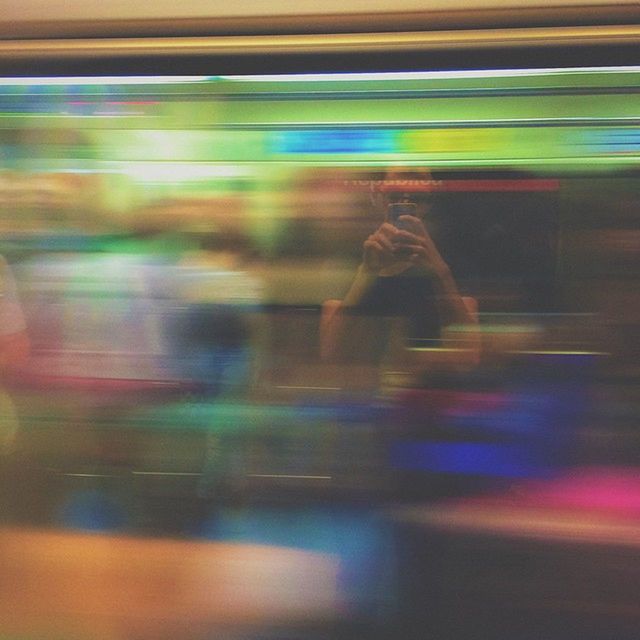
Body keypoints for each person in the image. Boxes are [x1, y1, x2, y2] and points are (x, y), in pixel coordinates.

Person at [323, 168, 479, 379]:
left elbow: (469, 356)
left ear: (429, 201)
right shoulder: (355, 257)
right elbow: (332, 354)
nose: (405, 205)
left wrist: (439, 274)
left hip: (426, 395)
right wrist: (367, 273)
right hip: (370, 396)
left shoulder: (448, 259)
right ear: (377, 196)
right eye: (395, 197)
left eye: (415, 198)